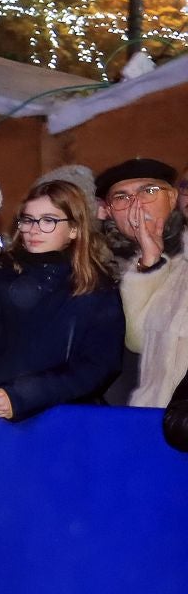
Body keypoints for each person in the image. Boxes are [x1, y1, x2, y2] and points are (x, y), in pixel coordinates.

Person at [0, 179, 123, 421]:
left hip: (56, 419)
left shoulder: (95, 288)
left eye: (48, 220)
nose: (34, 229)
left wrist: (25, 395)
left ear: (74, 229)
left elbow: (96, 368)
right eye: (28, 220)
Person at [104, 159, 188, 408]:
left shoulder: (179, 257)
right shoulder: (89, 263)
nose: (136, 203)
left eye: (149, 191)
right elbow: (140, 338)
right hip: (131, 413)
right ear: (106, 210)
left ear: (172, 198)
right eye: (122, 196)